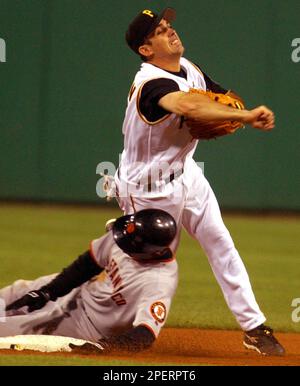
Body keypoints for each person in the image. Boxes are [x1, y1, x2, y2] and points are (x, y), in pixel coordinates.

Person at [114, 7, 284, 356]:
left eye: (168, 25)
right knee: (155, 262)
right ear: (146, 49)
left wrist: (235, 108)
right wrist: (246, 115)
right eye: (159, 31)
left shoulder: (188, 67)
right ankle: (132, 325)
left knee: (221, 243)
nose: (170, 31)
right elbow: (189, 105)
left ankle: (254, 327)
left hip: (187, 173)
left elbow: (217, 96)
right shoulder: (151, 84)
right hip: (147, 188)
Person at [0, 209, 178, 353]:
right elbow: (87, 264)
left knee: (8, 329)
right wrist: (48, 292)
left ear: (153, 252)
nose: (121, 243)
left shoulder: (157, 283)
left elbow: (145, 333)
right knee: (15, 291)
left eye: (129, 244)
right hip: (77, 291)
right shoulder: (127, 235)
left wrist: (105, 347)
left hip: (85, 326)